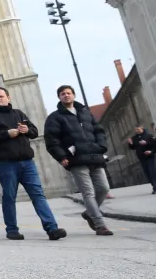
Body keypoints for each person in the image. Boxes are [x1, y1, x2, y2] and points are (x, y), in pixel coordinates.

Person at [0, 86, 66, 241]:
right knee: (9, 197)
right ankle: (12, 230)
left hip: (27, 163)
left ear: (8, 98)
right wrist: (6, 134)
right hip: (5, 163)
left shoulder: (18, 114)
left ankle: (52, 228)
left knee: (38, 195)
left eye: (1, 96)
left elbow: (34, 131)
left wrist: (26, 129)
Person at [44, 85, 113, 236]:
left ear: (73, 95)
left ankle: (89, 213)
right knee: (88, 192)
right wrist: (62, 156)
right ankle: (100, 224)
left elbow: (98, 130)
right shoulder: (55, 117)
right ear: (59, 97)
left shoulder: (85, 112)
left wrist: (101, 146)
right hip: (75, 159)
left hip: (95, 156)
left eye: (68, 93)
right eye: (63, 94)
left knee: (103, 188)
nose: (66, 96)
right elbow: (51, 140)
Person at [127, 126, 156, 193]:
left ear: (142, 128)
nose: (136, 130)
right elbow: (133, 147)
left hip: (149, 156)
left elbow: (154, 145)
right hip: (141, 157)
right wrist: (130, 143)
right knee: (147, 172)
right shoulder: (134, 138)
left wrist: (146, 144)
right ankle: (154, 185)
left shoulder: (149, 136)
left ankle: (155, 186)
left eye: (138, 129)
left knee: (152, 171)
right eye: (135, 129)